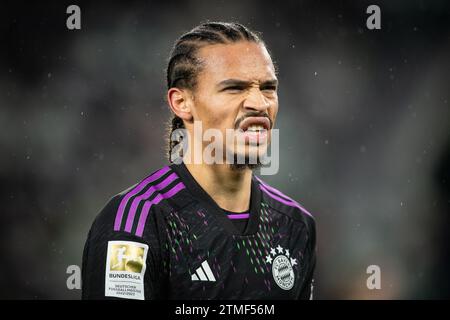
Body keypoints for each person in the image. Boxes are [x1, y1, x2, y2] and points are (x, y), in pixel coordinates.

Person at [82, 21, 316, 300]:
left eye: (268, 88)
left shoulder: (295, 225)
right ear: (182, 103)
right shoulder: (136, 223)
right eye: (234, 88)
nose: (259, 103)